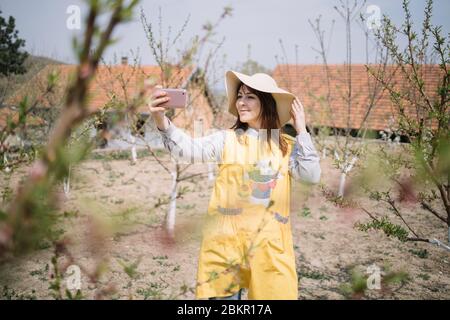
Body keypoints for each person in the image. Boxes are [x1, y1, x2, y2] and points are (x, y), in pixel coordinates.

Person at [147, 71, 321, 300]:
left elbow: (311, 176)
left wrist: (301, 131)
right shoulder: (226, 139)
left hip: (270, 247)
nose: (241, 102)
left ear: (266, 103)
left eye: (250, 97)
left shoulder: (286, 147)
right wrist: (160, 119)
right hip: (226, 246)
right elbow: (186, 150)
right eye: (240, 96)